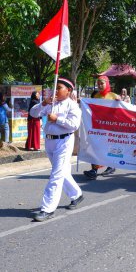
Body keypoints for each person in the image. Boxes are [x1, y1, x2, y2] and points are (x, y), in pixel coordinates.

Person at [30, 77, 84, 222]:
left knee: (56, 175)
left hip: (64, 141)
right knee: (62, 172)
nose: (55, 91)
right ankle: (77, 195)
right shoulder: (50, 103)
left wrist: (57, 119)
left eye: (59, 88)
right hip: (49, 141)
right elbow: (33, 113)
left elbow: (74, 125)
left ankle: (47, 209)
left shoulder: (72, 106)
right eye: (54, 88)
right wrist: (43, 103)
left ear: (68, 91)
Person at [84, 76, 120, 179]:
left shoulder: (114, 96)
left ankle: (111, 165)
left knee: (108, 148)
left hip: (110, 127)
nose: (100, 85)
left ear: (107, 84)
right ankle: (94, 170)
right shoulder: (95, 97)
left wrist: (120, 102)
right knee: (94, 147)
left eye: (102, 83)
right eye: (98, 83)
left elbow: (123, 110)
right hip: (97, 127)